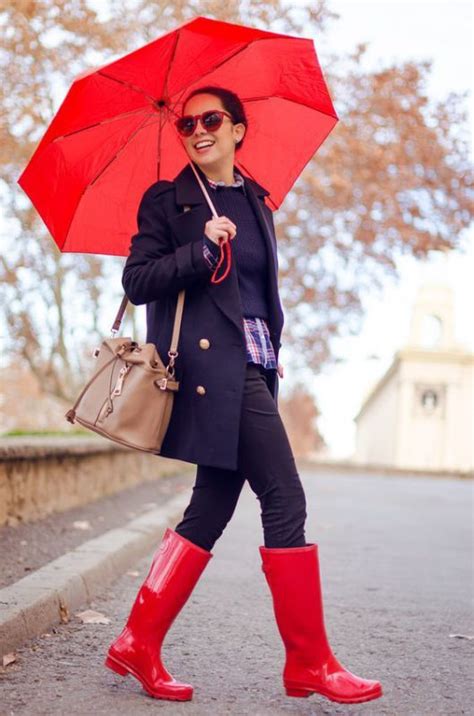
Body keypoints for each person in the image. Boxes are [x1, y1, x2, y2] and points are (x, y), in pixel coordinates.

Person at [104, 86, 383, 705]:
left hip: (255, 366)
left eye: (211, 120)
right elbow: (138, 281)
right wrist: (200, 249)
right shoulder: (169, 201)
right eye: (187, 123)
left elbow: (259, 298)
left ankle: (136, 642)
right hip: (212, 373)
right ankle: (309, 662)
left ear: (238, 130)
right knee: (284, 497)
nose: (197, 130)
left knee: (211, 506)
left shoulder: (257, 200)